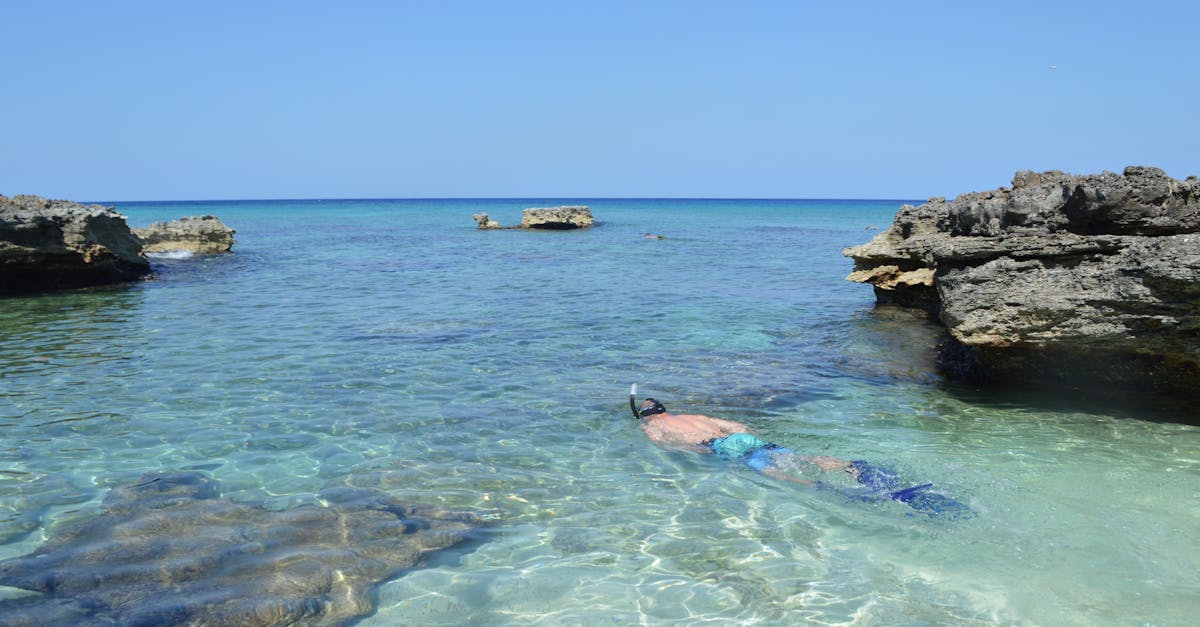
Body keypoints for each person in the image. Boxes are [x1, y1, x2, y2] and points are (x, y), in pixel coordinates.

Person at [635, 397, 971, 518]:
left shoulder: (653, 428)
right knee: (798, 455)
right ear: (665, 408)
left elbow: (671, 448)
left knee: (772, 473)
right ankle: (853, 467)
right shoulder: (693, 414)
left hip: (721, 446)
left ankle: (825, 489)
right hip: (740, 437)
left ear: (647, 417)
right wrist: (743, 438)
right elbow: (738, 426)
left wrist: (705, 451)